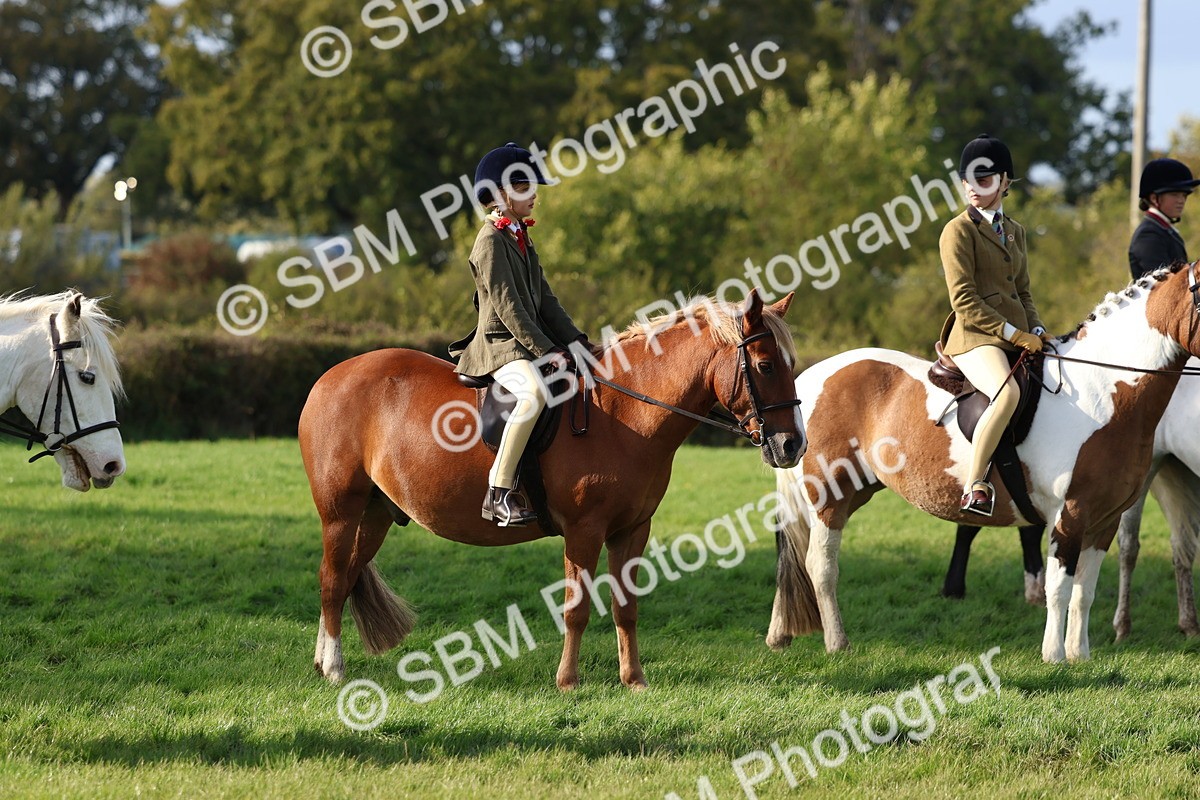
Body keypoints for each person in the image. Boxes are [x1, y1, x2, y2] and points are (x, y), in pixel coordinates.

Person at [449, 142, 589, 527]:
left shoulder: (520, 236)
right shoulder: (489, 240)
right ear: (501, 194)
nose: (534, 195)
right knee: (533, 393)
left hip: (524, 343)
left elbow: (546, 299)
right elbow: (508, 307)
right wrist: (547, 350)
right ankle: (498, 492)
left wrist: (577, 341)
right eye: (525, 187)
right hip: (499, 346)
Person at [939, 134, 1047, 516]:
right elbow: (964, 300)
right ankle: (975, 485)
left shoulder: (1015, 230)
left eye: (982, 179)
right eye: (967, 180)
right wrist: (1014, 334)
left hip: (1016, 336)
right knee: (1006, 394)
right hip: (974, 337)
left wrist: (1037, 330)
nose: (972, 187)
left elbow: (1023, 292)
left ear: (1004, 182)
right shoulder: (958, 230)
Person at [1129, 158, 1198, 279]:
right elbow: (1165, 283)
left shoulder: (1165, 230)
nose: (1181, 200)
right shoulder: (1148, 235)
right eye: (1174, 194)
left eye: (1184, 195)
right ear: (1154, 198)